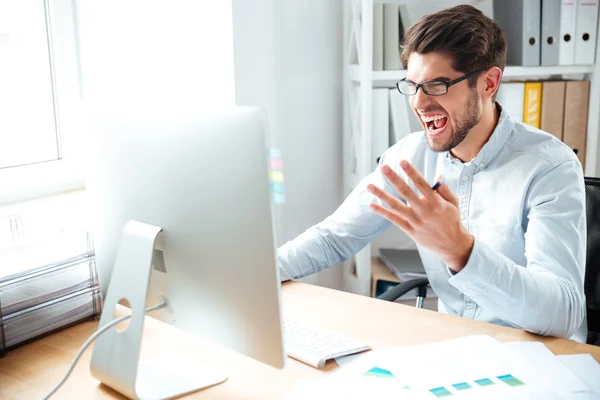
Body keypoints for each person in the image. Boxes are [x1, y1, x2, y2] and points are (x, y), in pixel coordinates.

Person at [277, 4, 587, 343]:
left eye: (437, 85)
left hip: (538, 358)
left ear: (488, 83)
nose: (419, 104)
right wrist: (253, 274)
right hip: (453, 349)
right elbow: (335, 238)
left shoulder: (549, 167)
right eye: (412, 85)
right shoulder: (410, 157)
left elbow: (562, 314)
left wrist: (461, 251)